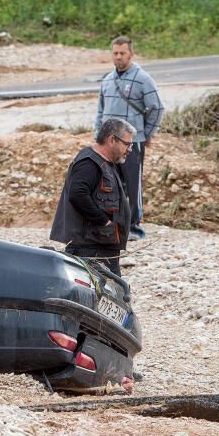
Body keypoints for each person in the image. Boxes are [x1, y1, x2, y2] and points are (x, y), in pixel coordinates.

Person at [94, 36, 163, 241]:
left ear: (131, 54)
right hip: (108, 144)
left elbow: (157, 107)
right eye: (115, 53)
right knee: (108, 184)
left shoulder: (143, 78)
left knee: (132, 185)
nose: (118, 57)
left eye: (122, 53)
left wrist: (146, 134)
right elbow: (100, 111)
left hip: (132, 143)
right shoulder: (107, 80)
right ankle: (113, 226)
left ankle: (134, 228)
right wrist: (98, 138)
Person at [50, 118, 136, 277]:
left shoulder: (106, 163)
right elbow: (77, 194)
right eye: (127, 144)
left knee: (112, 296)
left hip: (101, 246)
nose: (130, 149)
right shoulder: (89, 163)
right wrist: (104, 222)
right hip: (90, 248)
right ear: (112, 140)